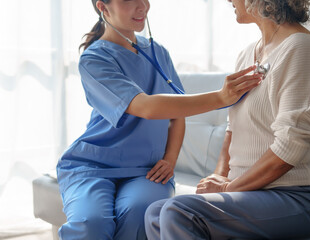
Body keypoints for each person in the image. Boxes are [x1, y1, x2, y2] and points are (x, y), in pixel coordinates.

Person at [56, 0, 262, 239]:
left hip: (146, 170)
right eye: (129, 1)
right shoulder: (94, 59)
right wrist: (221, 97)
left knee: (138, 214)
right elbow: (145, 107)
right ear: (103, 7)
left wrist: (170, 159)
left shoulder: (158, 53)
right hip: (93, 165)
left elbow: (177, 113)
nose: (142, 6)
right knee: (91, 224)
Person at [144, 0, 310, 239]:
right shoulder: (248, 54)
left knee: (179, 212)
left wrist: (227, 188)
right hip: (250, 193)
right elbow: (232, 129)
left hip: (301, 196)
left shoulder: (302, 47)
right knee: (155, 212)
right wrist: (219, 178)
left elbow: (291, 145)